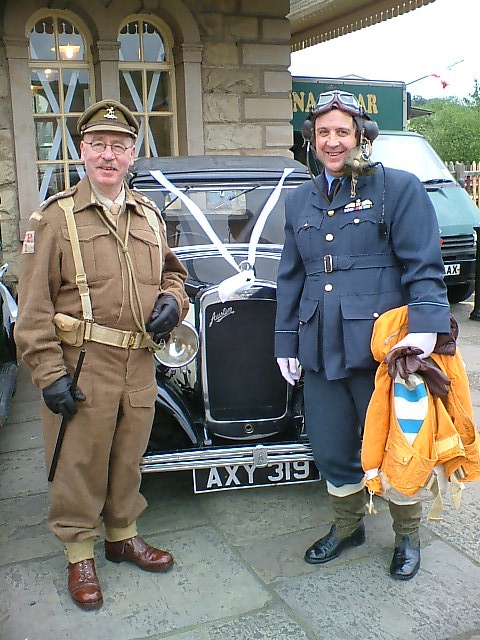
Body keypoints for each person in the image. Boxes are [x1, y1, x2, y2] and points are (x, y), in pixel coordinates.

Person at [15, 99, 189, 610]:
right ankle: (78, 553)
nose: (108, 155)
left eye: (118, 146)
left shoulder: (150, 215)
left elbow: (175, 275)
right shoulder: (53, 218)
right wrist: (48, 373)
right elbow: (33, 307)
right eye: (98, 145)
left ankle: (122, 534)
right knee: (78, 460)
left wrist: (173, 302)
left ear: (133, 153)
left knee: (129, 455)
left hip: (138, 362)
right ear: (82, 151)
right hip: (82, 362)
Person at [274, 90, 450, 580]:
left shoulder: (398, 188)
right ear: (312, 139)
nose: (333, 142)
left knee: (400, 444)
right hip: (319, 348)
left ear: (361, 137)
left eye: (343, 132)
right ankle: (348, 526)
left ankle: (407, 536)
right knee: (330, 446)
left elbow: (423, 265)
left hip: (385, 350)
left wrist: (426, 330)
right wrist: (286, 342)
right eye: (323, 132)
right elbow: (292, 277)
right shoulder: (298, 200)